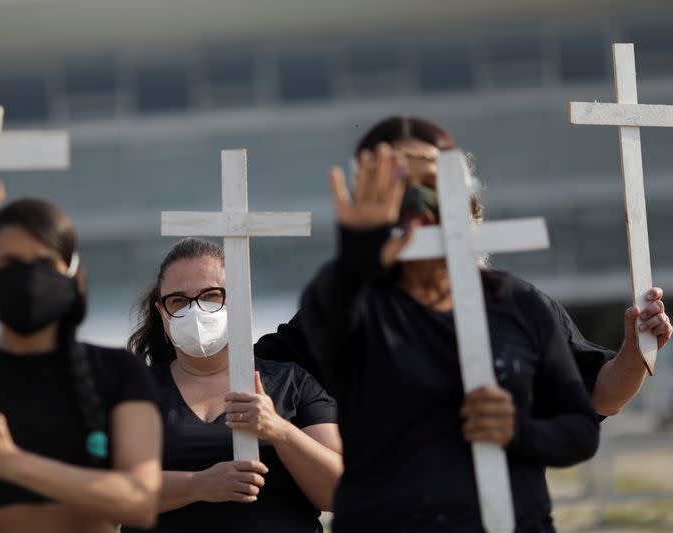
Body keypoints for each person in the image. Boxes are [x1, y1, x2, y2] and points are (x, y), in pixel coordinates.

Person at [297, 117, 601, 532]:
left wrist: (519, 430)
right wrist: (362, 249)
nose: (418, 202)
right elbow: (330, 311)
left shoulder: (518, 302)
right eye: (398, 185)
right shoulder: (353, 304)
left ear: (464, 197)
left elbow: (580, 429)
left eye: (432, 184)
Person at [256, 116, 671, 418]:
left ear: (470, 214)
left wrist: (634, 350)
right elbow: (248, 374)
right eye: (402, 200)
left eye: (437, 198)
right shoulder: (345, 309)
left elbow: (600, 394)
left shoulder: (519, 305)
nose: (420, 217)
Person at [0, 173, 162, 533]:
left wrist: (11, 462)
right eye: (9, 263)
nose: (28, 276)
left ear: (70, 274)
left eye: (44, 261)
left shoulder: (116, 371)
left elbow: (139, 500)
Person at [124, 238, 342, 533]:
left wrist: (279, 431)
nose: (195, 311)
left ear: (238, 300)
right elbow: (108, 489)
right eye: (179, 301)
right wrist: (198, 486)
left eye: (211, 295)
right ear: (162, 312)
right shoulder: (135, 391)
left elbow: (341, 493)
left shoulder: (290, 382)